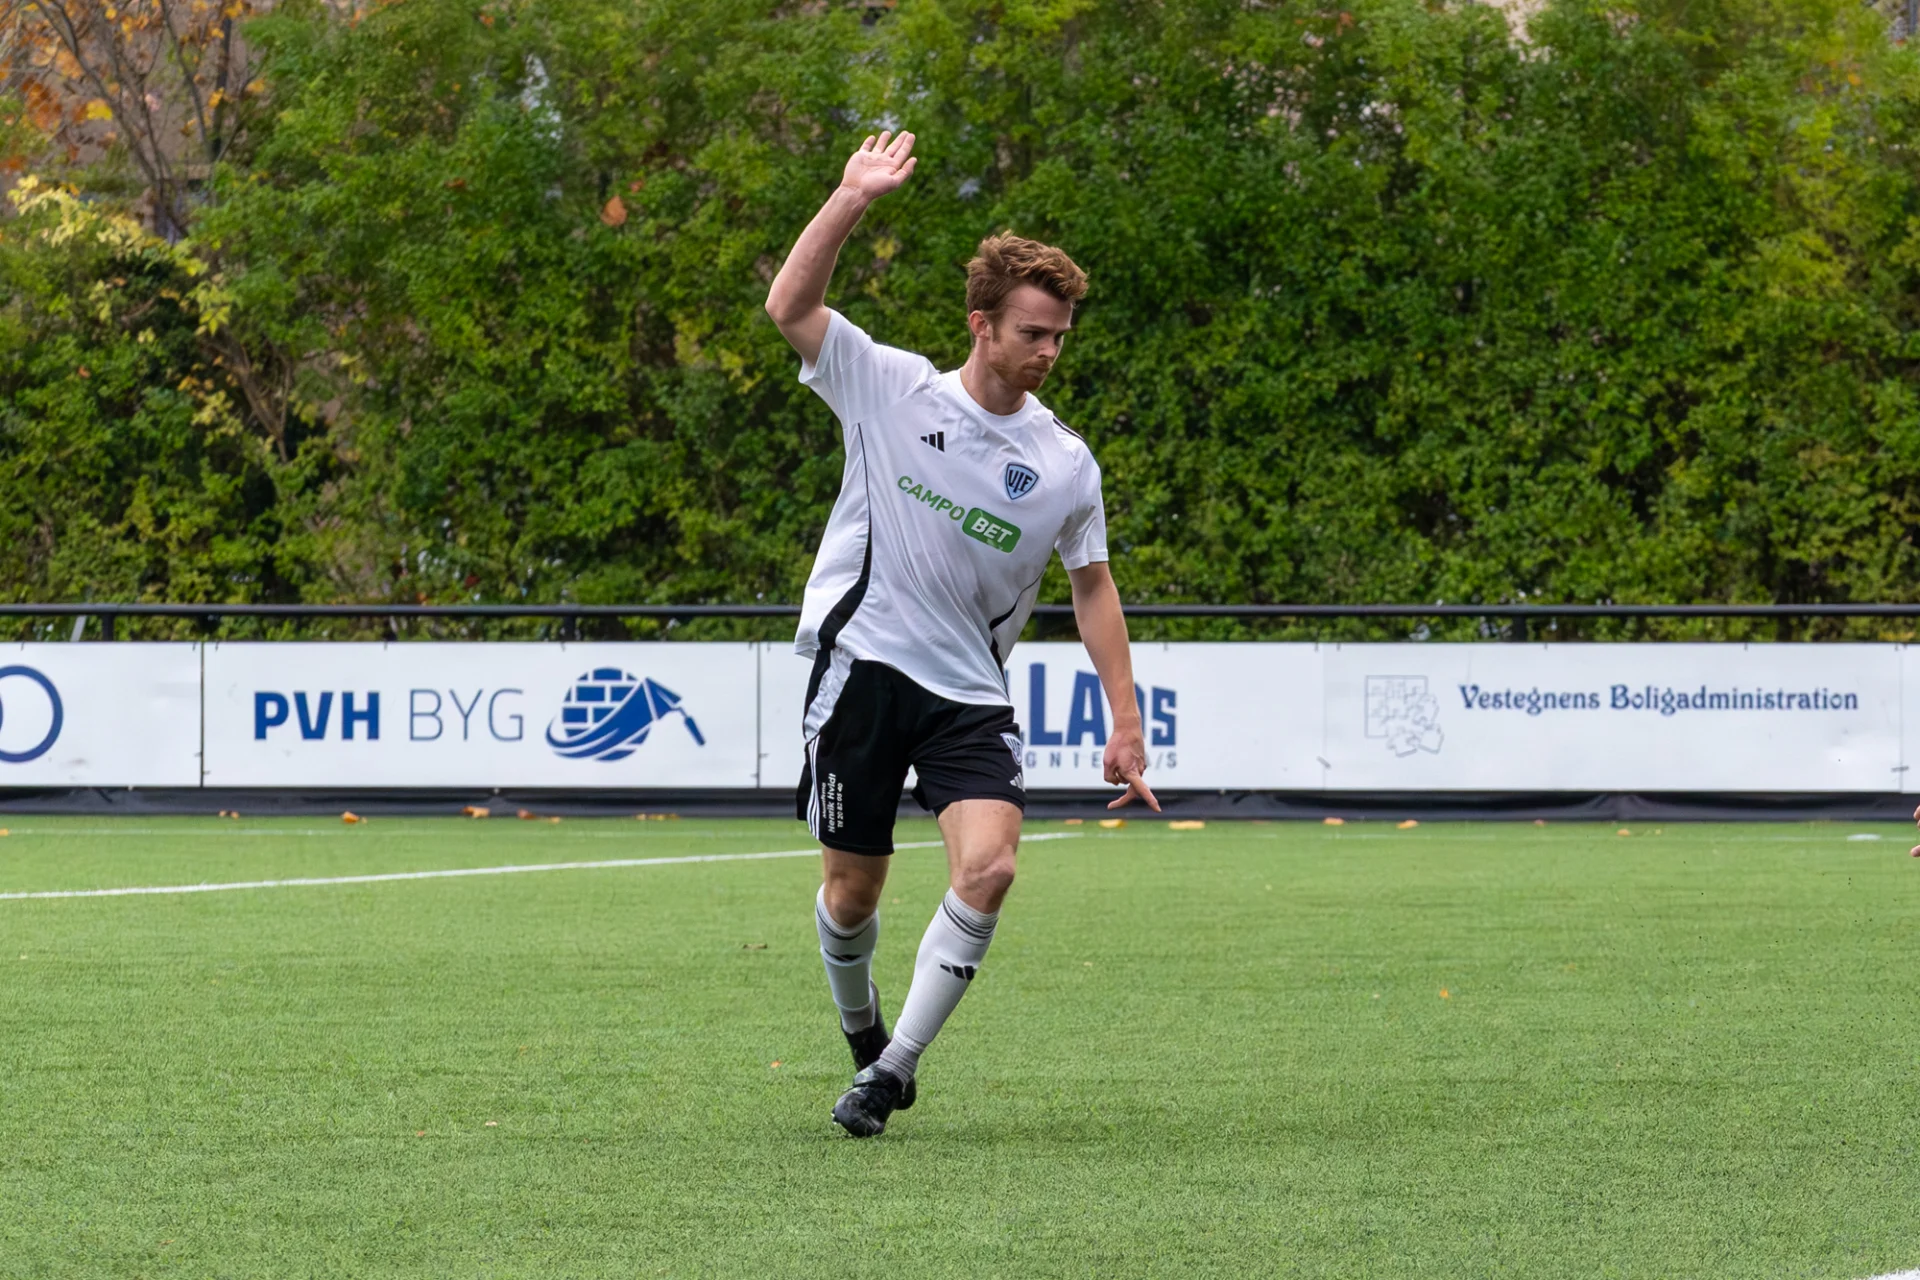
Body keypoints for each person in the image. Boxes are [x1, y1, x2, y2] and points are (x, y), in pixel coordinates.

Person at [764, 129, 1160, 1138]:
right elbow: (790, 307)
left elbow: (1093, 585)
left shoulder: (1066, 462)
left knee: (990, 866)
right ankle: (861, 1028)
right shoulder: (892, 388)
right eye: (1033, 332)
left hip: (970, 695)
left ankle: (889, 1071)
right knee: (851, 896)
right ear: (982, 325)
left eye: (1061, 335)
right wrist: (851, 196)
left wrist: (1125, 718)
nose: (1050, 351)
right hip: (862, 671)